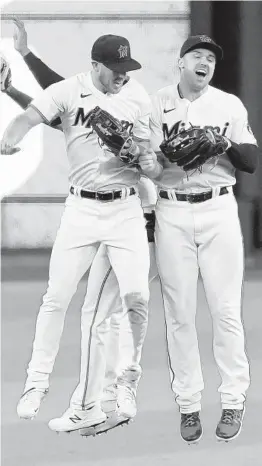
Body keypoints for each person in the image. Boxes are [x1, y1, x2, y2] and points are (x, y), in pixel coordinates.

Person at [1, 20, 159, 435]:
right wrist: (9, 135)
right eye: (115, 66)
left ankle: (124, 383)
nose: (123, 73)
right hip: (81, 210)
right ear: (95, 65)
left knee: (137, 298)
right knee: (56, 296)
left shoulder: (138, 99)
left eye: (127, 66)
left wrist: (142, 159)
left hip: (125, 211)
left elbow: (151, 161)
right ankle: (36, 383)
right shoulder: (70, 91)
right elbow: (37, 117)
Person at [143, 35, 260, 443]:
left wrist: (222, 141)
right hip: (171, 209)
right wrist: (152, 158)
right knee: (179, 314)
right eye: (197, 55)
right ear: (181, 63)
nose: (205, 62)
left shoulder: (228, 104)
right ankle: (189, 405)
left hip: (218, 210)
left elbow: (250, 162)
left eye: (210, 57)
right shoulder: (155, 104)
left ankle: (233, 398)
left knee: (226, 311)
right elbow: (146, 162)